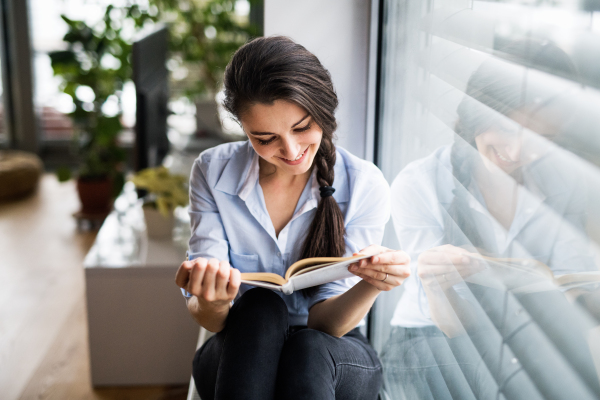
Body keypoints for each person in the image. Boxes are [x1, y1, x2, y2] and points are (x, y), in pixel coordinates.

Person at [174, 36, 411, 400]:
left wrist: (374, 282)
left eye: (301, 128)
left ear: (323, 109)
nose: (291, 150)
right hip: (239, 350)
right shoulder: (212, 170)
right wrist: (211, 299)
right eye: (265, 138)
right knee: (259, 308)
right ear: (243, 129)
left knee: (307, 351)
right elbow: (212, 320)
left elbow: (327, 324)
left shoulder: (364, 184)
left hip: (332, 349)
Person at [380, 40, 599, 399]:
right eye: (508, 130)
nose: (516, 153)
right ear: (477, 114)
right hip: (433, 339)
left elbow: (569, 283)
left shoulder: (562, 181)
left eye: (540, 138)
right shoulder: (421, 182)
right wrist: (438, 284)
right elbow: (451, 325)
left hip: (524, 330)